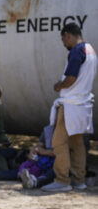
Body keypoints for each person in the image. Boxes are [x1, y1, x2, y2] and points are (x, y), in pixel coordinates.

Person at [41, 23, 96, 192]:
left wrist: (59, 85)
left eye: (64, 40)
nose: (64, 44)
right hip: (83, 104)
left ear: (68, 35)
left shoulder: (77, 51)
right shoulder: (90, 50)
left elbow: (71, 77)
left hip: (71, 104)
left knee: (59, 141)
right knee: (77, 142)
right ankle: (79, 179)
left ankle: (62, 180)